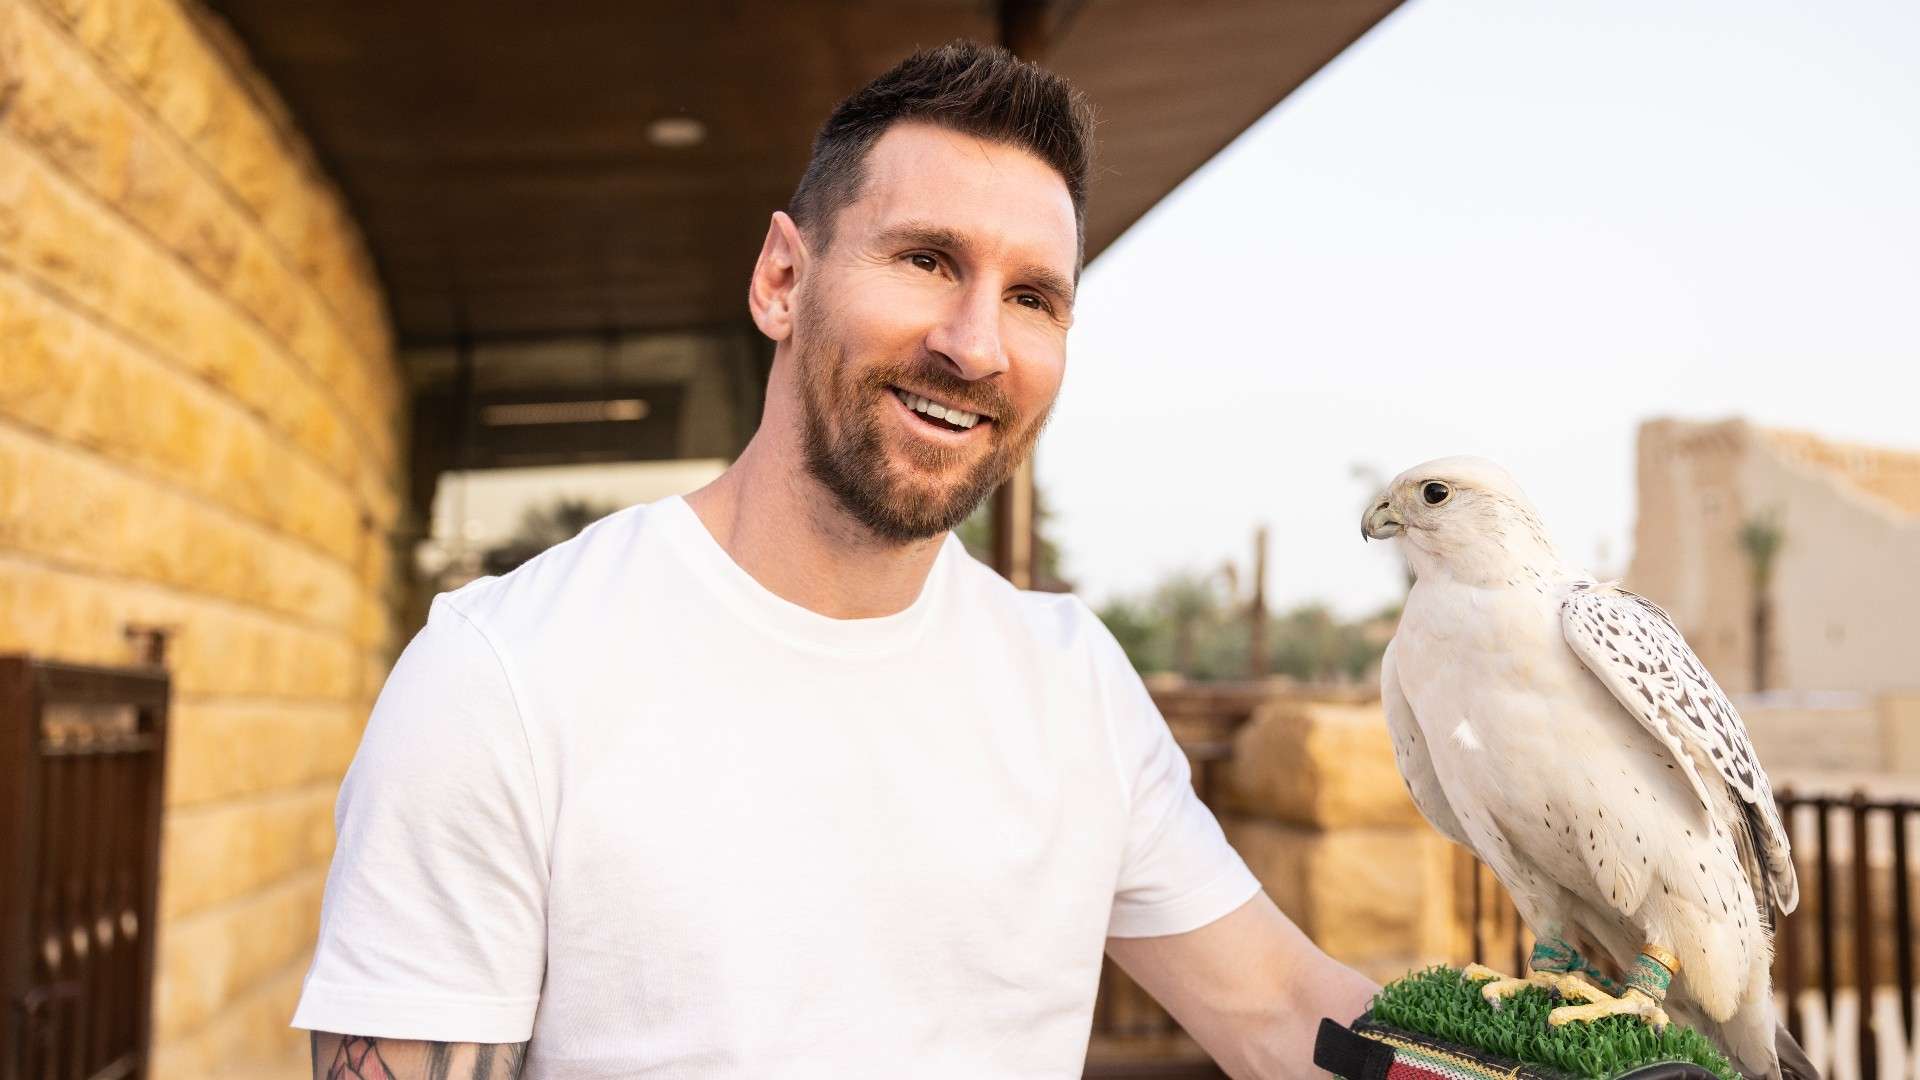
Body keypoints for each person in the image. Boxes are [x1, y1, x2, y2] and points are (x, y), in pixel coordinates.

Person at [292, 39, 1376, 1080]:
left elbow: (1284, 1013)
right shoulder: (504, 676)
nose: (976, 343)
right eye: (926, 259)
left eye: (1032, 297)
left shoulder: (1071, 682)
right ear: (780, 280)